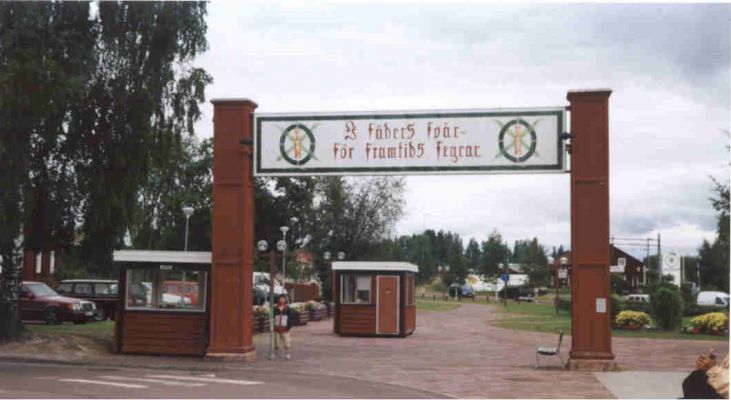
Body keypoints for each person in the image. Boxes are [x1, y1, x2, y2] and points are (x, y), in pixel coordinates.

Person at [272, 294, 293, 360]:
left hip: (285, 328)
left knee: (286, 342)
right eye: (280, 298)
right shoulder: (275, 308)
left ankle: (287, 354)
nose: (281, 300)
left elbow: (290, 318)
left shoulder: (287, 308)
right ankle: (275, 354)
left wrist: (288, 326)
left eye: (283, 299)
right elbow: (273, 317)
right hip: (277, 327)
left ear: (285, 300)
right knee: (277, 342)